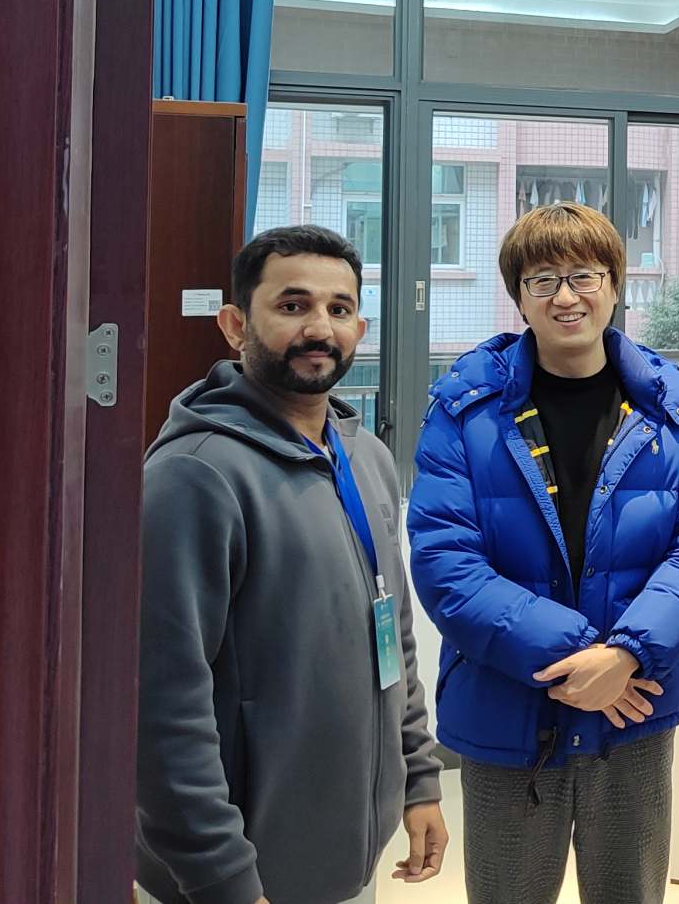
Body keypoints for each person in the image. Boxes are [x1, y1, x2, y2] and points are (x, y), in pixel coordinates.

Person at [410, 202, 679, 904]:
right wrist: (591, 657)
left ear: (614, 284)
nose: (565, 296)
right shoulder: (463, 410)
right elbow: (446, 565)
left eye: (584, 275)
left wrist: (628, 656)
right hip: (508, 708)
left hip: (632, 718)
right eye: (542, 279)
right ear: (519, 297)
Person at [136, 225, 447, 904]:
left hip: (345, 858)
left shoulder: (364, 458)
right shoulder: (194, 476)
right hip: (231, 877)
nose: (319, 328)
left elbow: (391, 632)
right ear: (235, 325)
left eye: (339, 309)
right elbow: (161, 702)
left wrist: (418, 778)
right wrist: (222, 876)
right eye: (292, 305)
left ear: (360, 329)